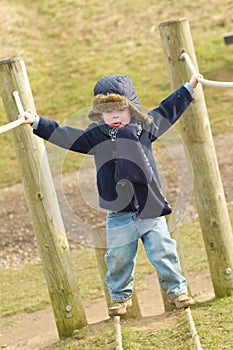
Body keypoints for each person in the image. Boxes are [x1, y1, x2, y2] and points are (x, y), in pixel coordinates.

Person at [19, 73, 201, 316]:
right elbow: (66, 135)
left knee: (163, 251)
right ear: (99, 114)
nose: (115, 116)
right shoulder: (96, 137)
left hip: (150, 208)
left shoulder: (145, 128)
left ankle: (177, 291)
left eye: (120, 110)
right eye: (108, 111)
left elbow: (167, 111)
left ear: (132, 109)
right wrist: (37, 122)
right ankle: (120, 297)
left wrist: (187, 89)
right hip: (119, 214)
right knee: (118, 258)